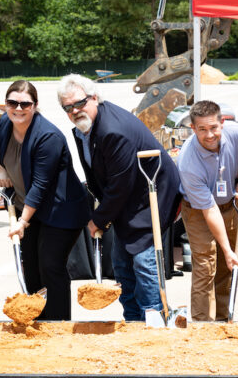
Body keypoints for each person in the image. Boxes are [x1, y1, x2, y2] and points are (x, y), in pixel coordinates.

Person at [57, 74, 186, 321]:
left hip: (151, 197)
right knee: (122, 263)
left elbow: (120, 185)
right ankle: (133, 319)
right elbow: (96, 173)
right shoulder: (84, 128)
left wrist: (99, 220)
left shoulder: (113, 131)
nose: (75, 111)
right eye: (68, 107)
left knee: (142, 261)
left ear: (94, 97)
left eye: (80, 103)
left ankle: (154, 317)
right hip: (129, 198)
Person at [0, 80, 91, 320]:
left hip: (61, 210)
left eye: (24, 104)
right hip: (28, 207)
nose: (18, 108)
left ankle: (58, 324)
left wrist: (22, 222)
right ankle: (37, 319)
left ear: (35, 105)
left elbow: (41, 185)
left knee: (50, 265)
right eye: (12, 103)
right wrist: (2, 170)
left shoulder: (48, 137)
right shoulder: (5, 123)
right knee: (32, 269)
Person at [176, 100, 238, 321]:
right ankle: (202, 323)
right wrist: (226, 248)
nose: (209, 135)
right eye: (202, 129)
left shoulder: (235, 132)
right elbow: (209, 211)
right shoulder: (188, 162)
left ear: (222, 123)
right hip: (199, 211)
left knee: (227, 268)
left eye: (213, 128)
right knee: (206, 265)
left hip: (230, 206)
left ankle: (223, 320)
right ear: (193, 129)